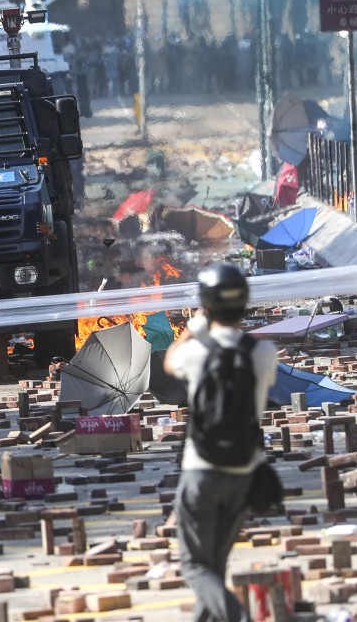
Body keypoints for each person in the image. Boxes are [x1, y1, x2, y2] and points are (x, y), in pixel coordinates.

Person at [164, 264, 277, 622]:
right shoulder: (263, 354)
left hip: (201, 471)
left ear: (206, 305)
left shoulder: (196, 354)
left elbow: (168, 363)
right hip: (245, 471)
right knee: (216, 565)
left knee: (197, 567)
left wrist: (194, 326)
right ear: (244, 304)